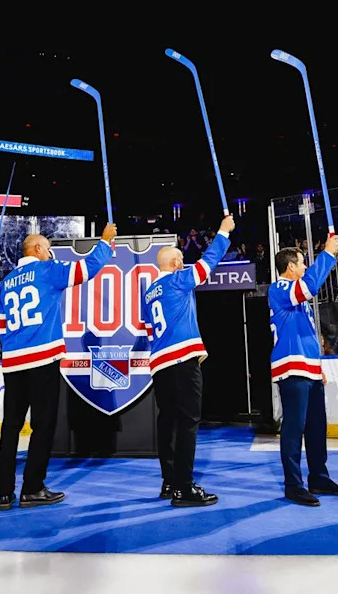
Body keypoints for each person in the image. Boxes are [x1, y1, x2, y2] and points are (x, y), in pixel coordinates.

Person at [0, 224, 116, 510]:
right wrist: (105, 241)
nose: (51, 252)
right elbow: (87, 270)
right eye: (48, 248)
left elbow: (1, 326)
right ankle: (32, 488)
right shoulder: (47, 270)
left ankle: (4, 491)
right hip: (42, 360)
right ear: (36, 249)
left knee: (10, 427)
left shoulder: (6, 282)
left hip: (13, 363)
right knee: (43, 425)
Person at [142, 215, 234, 507]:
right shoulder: (178, 280)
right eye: (181, 258)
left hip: (159, 363)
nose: (184, 262)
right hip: (182, 358)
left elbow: (147, 329)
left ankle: (169, 480)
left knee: (167, 422)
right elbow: (208, 263)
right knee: (188, 422)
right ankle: (184, 487)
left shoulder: (149, 293)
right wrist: (223, 232)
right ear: (175, 263)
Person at [269, 236, 338, 506]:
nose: (305, 267)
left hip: (308, 366)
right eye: (302, 263)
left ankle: (318, 476)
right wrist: (327, 254)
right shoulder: (279, 288)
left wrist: (317, 365)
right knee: (294, 427)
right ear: (290, 267)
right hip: (291, 366)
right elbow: (309, 286)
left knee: (317, 426)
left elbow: (305, 332)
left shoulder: (295, 293)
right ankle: (293, 484)